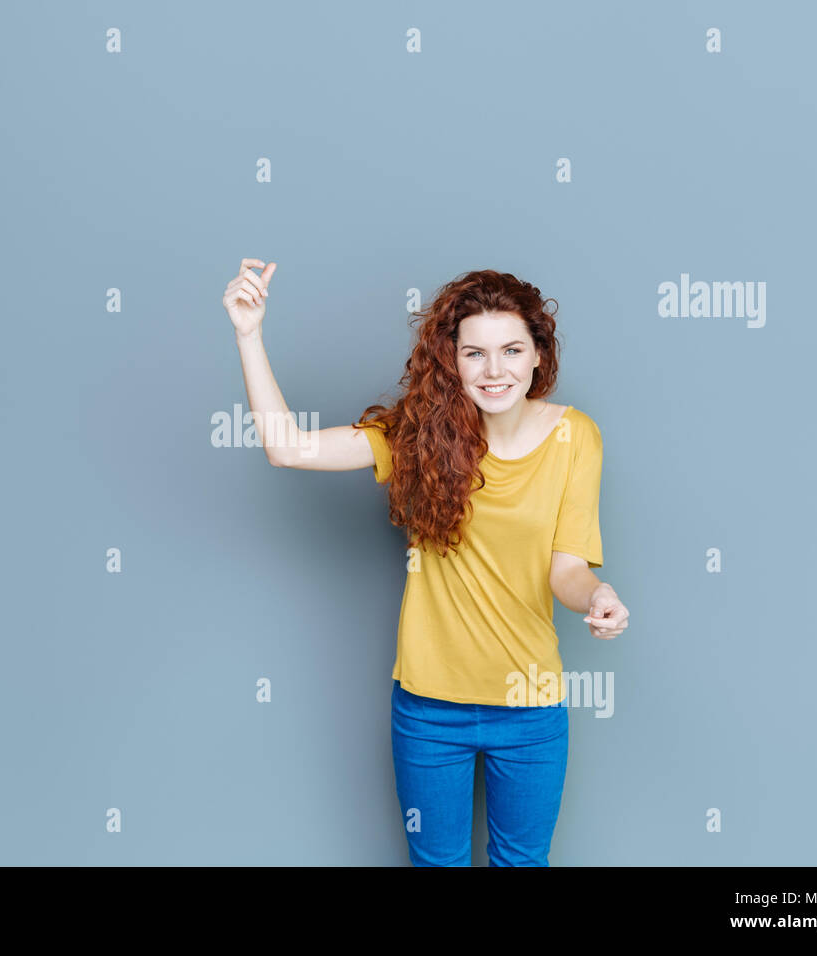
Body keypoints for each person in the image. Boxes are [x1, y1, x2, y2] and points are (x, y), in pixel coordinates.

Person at [223, 258, 630, 866]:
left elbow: (565, 569)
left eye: (512, 350)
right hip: (429, 708)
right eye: (474, 354)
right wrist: (249, 334)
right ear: (451, 359)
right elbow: (288, 448)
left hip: (530, 706)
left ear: (539, 356)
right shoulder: (417, 435)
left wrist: (598, 596)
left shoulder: (577, 438)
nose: (495, 371)